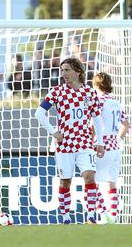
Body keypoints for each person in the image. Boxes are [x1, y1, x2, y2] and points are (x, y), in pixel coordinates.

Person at [34, 57, 105, 224]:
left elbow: (96, 118)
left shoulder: (90, 92)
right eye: (62, 70)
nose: (63, 73)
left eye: (67, 70)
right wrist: (53, 132)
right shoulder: (57, 91)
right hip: (64, 145)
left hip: (85, 143)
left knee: (89, 176)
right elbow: (39, 113)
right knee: (66, 181)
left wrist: (99, 141)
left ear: (78, 71)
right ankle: (66, 218)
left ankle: (90, 216)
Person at [92, 72, 129, 224]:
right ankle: (113, 216)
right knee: (111, 182)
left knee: (91, 182)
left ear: (95, 85)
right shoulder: (117, 103)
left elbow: (93, 124)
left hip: (100, 146)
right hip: (114, 146)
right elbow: (126, 125)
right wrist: (117, 139)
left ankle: (104, 213)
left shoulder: (98, 101)